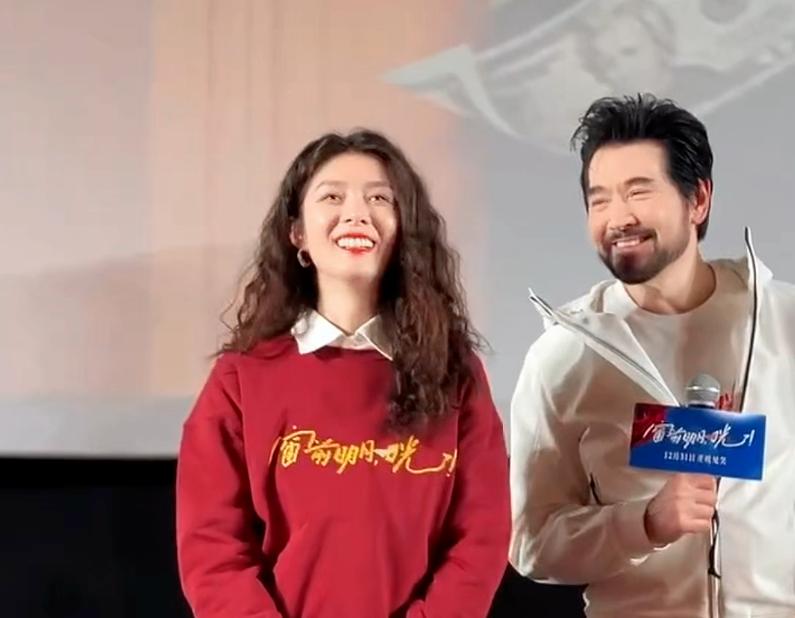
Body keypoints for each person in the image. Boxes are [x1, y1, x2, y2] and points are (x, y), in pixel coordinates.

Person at [176, 129, 511, 618]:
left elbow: (481, 537)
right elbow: (211, 548)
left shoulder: (455, 371)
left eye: (380, 198)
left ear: (403, 229)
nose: (357, 213)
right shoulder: (241, 378)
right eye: (332, 197)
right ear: (297, 233)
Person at [509, 94, 795, 617]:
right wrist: (644, 523)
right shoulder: (563, 356)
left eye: (638, 192)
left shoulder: (783, 321)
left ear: (698, 200)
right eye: (599, 200)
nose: (619, 217)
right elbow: (533, 543)